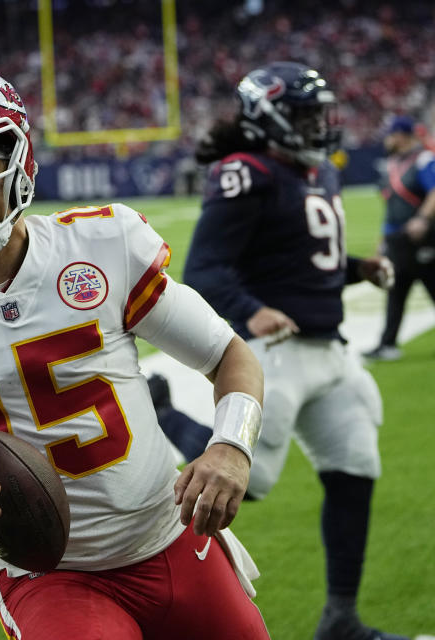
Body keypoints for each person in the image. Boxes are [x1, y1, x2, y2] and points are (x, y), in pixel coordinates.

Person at [0, 62, 269, 640]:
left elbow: (227, 355)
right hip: (49, 575)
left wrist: (230, 448)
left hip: (169, 536)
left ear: (17, 163)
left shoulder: (102, 244)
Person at [184, 62, 410, 640]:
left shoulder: (316, 172)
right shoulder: (245, 172)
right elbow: (203, 269)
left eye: (320, 112)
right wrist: (251, 308)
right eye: (308, 113)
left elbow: (309, 265)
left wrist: (359, 269)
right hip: (276, 353)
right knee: (247, 483)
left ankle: (341, 619)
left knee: (358, 465)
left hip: (330, 353)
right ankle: (165, 415)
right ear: (270, 115)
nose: (319, 124)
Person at [363, 115, 435, 361]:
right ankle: (387, 344)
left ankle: (387, 343)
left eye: (391, 134)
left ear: (402, 135)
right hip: (396, 239)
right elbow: (392, 206)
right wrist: (382, 240)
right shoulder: (394, 163)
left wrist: (423, 219)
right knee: (395, 291)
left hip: (421, 239)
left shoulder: (423, 159)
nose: (387, 139)